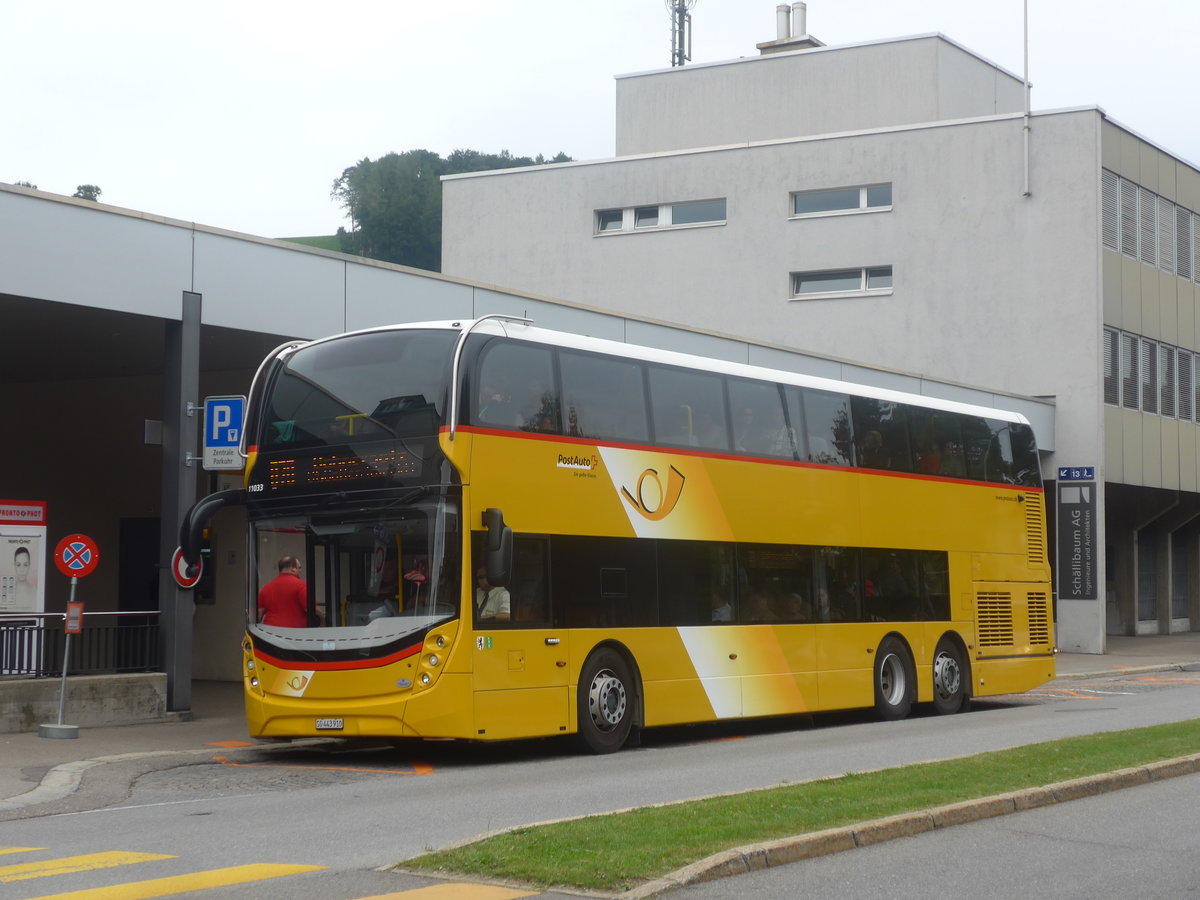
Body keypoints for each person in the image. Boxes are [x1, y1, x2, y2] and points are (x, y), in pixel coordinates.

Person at [258, 556, 316, 627]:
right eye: (299, 568)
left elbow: (258, 616)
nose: (300, 571)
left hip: (270, 633)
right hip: (294, 634)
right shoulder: (302, 585)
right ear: (293, 569)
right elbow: (312, 611)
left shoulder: (266, 588)